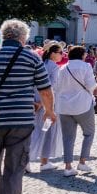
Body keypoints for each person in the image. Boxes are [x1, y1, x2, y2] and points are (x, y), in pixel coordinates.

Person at [0, 19, 53, 194]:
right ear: (23, 38)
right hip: (21, 119)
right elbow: (45, 89)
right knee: (15, 168)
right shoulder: (31, 57)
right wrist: (50, 111)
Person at [55, 45, 97, 176]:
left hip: (64, 107)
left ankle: (68, 167)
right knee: (89, 133)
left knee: (67, 138)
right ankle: (82, 162)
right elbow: (91, 86)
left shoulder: (62, 68)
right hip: (82, 105)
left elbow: (57, 87)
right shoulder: (86, 67)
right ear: (82, 55)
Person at [29, 43, 64, 172]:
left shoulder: (39, 64)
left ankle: (27, 160)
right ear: (52, 53)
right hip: (47, 103)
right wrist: (45, 105)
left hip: (34, 102)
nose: (62, 55)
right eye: (60, 52)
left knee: (33, 131)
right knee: (47, 131)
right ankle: (44, 161)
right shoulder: (53, 67)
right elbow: (51, 87)